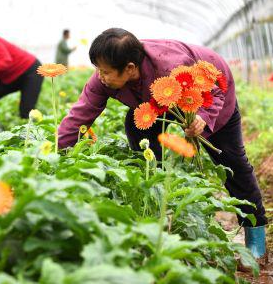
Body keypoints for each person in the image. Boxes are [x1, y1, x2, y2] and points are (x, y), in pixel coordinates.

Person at [58, 28, 268, 259]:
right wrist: (54, 154)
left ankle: (255, 233)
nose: (100, 76)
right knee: (137, 126)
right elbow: (80, 115)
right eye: (97, 69)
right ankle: (157, 190)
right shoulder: (103, 78)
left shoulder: (172, 67)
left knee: (231, 161)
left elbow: (214, 93)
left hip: (208, 91)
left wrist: (201, 118)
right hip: (155, 103)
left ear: (129, 68)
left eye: (105, 71)